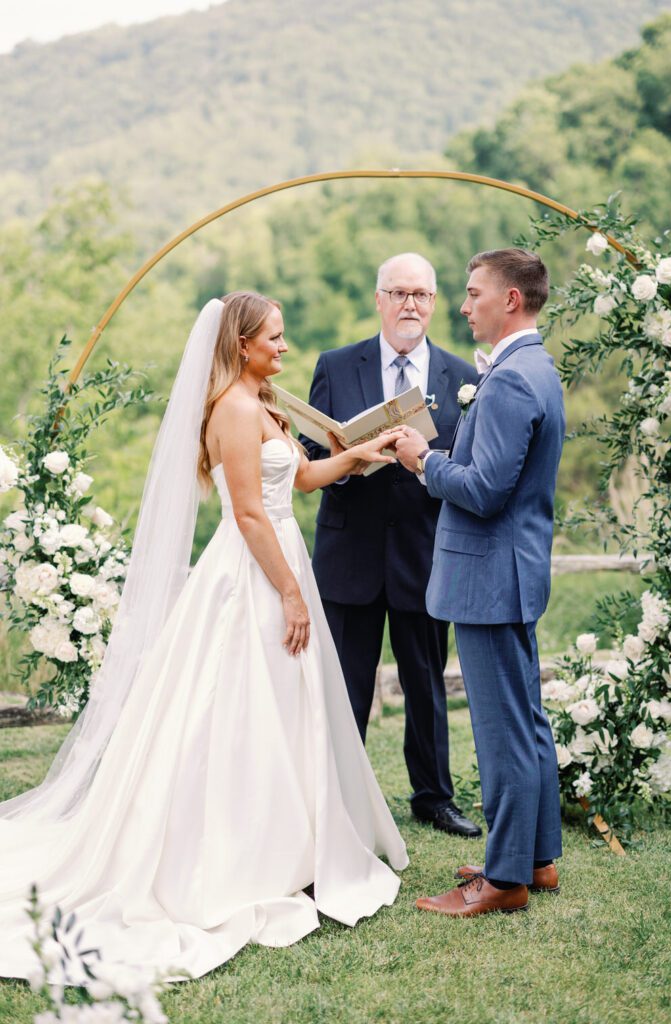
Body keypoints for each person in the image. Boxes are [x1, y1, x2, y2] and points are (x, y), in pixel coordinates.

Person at [0, 292, 408, 984]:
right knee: (233, 708)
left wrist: (363, 453)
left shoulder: (262, 401)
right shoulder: (236, 408)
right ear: (240, 343)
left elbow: (300, 480)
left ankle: (293, 842)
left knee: (281, 707)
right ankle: (234, 851)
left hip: (280, 562)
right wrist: (285, 591)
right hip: (251, 574)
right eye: (272, 338)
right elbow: (248, 513)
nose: (284, 347)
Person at [395, 249, 565, 916]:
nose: (463, 307)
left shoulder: (512, 380)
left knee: (501, 732)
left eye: (472, 294)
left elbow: (484, 491)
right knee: (526, 721)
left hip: (490, 576)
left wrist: (422, 460)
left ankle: (502, 880)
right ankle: (536, 859)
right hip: (510, 572)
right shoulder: (532, 367)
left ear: (510, 301)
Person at [300, 253, 482, 839]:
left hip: (426, 552)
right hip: (349, 551)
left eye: (422, 295)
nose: (411, 304)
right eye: (399, 293)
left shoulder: (462, 378)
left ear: (435, 303)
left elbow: (474, 465)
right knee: (345, 684)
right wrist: (349, 461)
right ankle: (337, 795)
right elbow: (306, 454)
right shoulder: (335, 364)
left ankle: (434, 797)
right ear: (379, 299)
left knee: (427, 684)